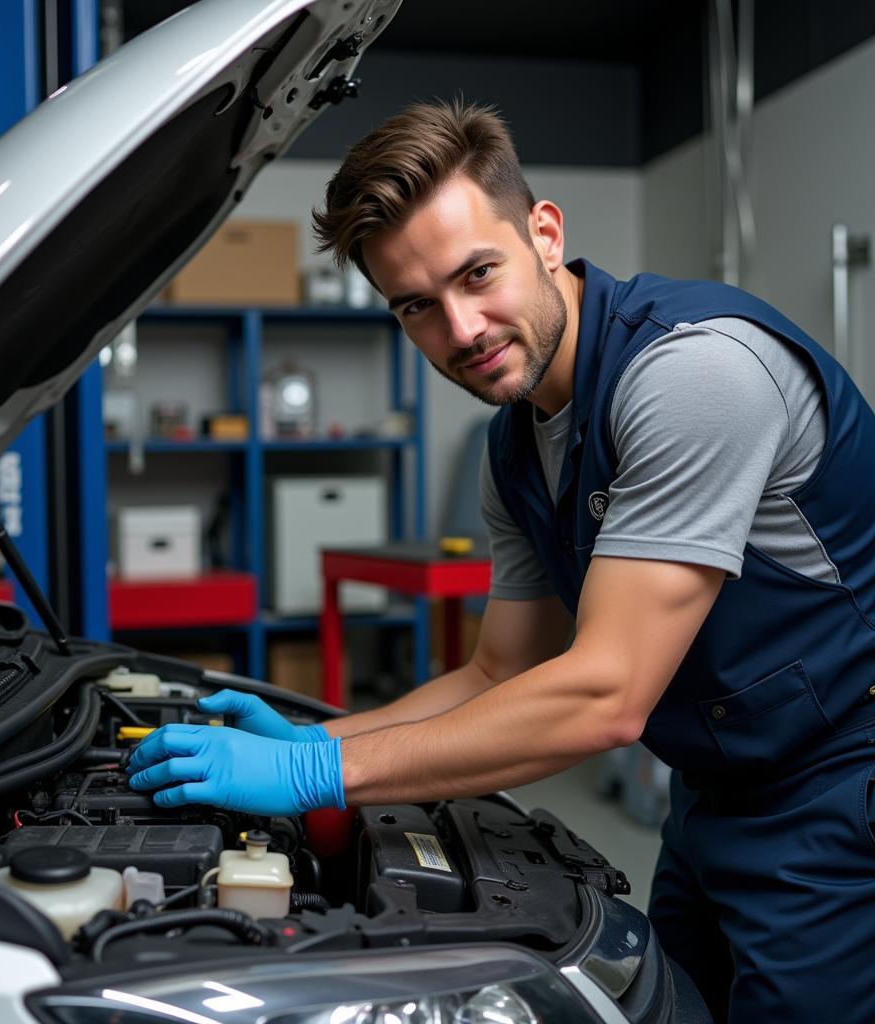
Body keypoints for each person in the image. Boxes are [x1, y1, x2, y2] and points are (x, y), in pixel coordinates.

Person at [128, 100, 875, 1022]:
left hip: (841, 788)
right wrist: (317, 739)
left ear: (545, 234)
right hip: (713, 795)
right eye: (418, 307)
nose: (463, 328)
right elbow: (501, 670)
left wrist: (314, 777)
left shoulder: (693, 377)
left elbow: (604, 693)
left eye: (478, 273)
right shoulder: (515, 449)